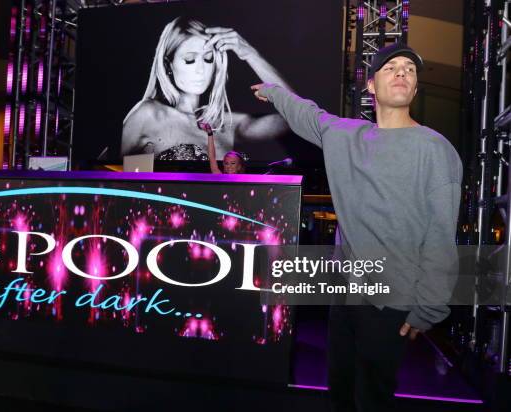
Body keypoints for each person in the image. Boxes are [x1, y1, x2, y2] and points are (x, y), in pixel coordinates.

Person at [252, 43, 462, 412]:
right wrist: (274, 92)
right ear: (371, 86)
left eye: (410, 70)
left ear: (414, 88)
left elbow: (440, 237)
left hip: (391, 298)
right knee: (342, 392)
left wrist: (428, 308)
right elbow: (307, 114)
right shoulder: (346, 136)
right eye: (391, 67)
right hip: (345, 294)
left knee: (372, 398)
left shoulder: (435, 149)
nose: (402, 73)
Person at [122, 16, 291, 160]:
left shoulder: (225, 124)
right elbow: (118, 181)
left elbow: (297, 118)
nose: (201, 69)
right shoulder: (148, 115)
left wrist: (250, 54)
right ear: (168, 65)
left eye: (208, 59)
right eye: (189, 60)